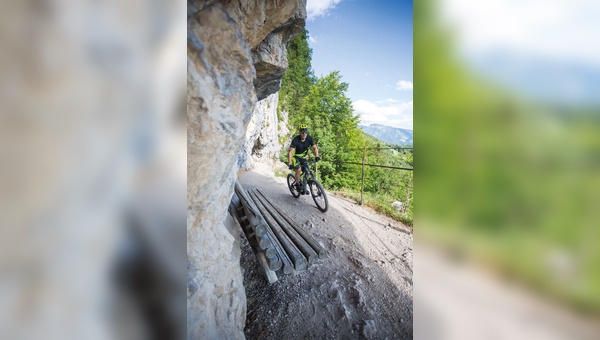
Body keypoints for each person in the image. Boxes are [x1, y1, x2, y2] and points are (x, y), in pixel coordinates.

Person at [288, 125, 320, 193]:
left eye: (306, 132)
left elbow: (314, 148)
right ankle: (297, 184)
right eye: (302, 132)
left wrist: (317, 156)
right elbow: (290, 152)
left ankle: (304, 187)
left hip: (303, 157)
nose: (304, 134)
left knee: (307, 172)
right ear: (300, 132)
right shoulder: (296, 140)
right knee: (298, 169)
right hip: (295, 157)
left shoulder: (309, 138)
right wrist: (290, 163)